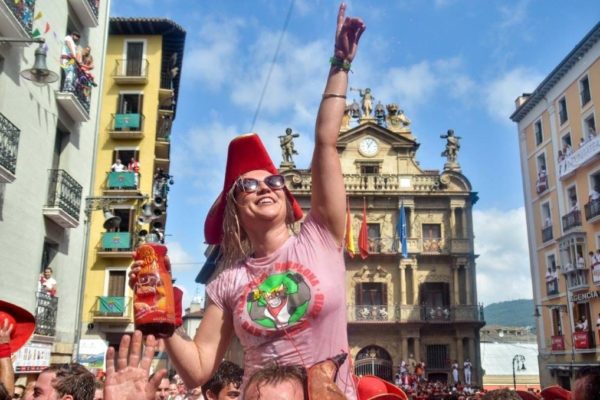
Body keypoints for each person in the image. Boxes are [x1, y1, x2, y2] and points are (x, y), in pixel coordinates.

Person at [129, 4, 365, 398]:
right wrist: (166, 323)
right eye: (249, 186)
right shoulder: (226, 282)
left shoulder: (320, 235)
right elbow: (199, 370)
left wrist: (339, 64)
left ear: (287, 197)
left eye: (273, 180)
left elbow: (326, 141)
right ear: (234, 209)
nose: (266, 187)